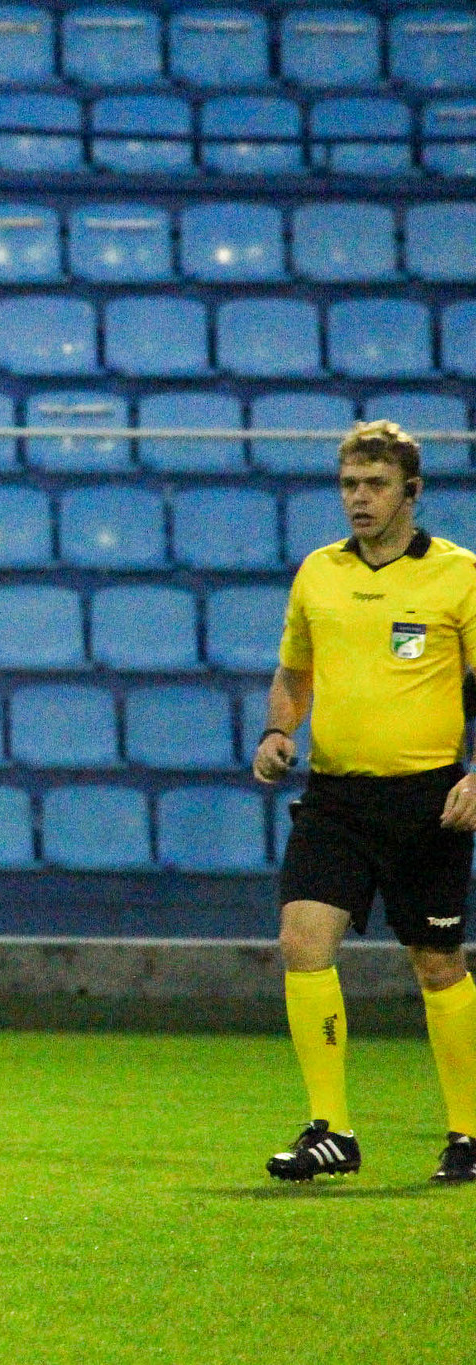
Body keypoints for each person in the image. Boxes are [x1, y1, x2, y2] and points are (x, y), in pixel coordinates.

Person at [253, 420, 476, 1184]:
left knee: (437, 961)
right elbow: (294, 671)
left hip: (429, 798)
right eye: (350, 484)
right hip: (337, 795)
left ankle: (468, 1132)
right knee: (301, 941)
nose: (359, 498)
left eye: (375, 484)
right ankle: (331, 1129)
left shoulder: (459, 575)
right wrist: (279, 730)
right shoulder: (317, 572)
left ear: (411, 492)